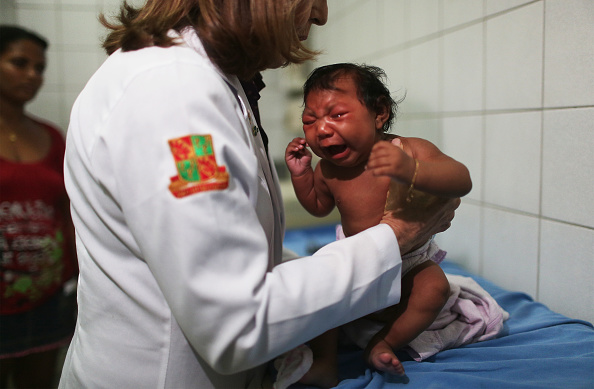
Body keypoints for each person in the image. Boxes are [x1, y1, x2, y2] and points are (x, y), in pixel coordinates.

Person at [58, 1, 460, 388]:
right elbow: (236, 323)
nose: (321, 14)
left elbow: (223, 243)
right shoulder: (173, 95)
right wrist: (397, 236)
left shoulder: (209, 83)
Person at [285, 63, 472, 385]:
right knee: (322, 288)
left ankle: (383, 342)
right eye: (309, 120)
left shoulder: (409, 149)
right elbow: (318, 207)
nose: (322, 129)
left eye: (337, 114)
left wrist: (413, 169)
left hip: (409, 260)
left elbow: (461, 179)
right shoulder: (328, 169)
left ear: (379, 112)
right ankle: (326, 361)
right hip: (355, 258)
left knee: (434, 288)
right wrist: (302, 175)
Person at [0, 25, 78, 388]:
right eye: (20, 63)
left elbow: (68, 213)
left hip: (47, 298)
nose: (33, 75)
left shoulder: (50, 136)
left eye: (40, 68)